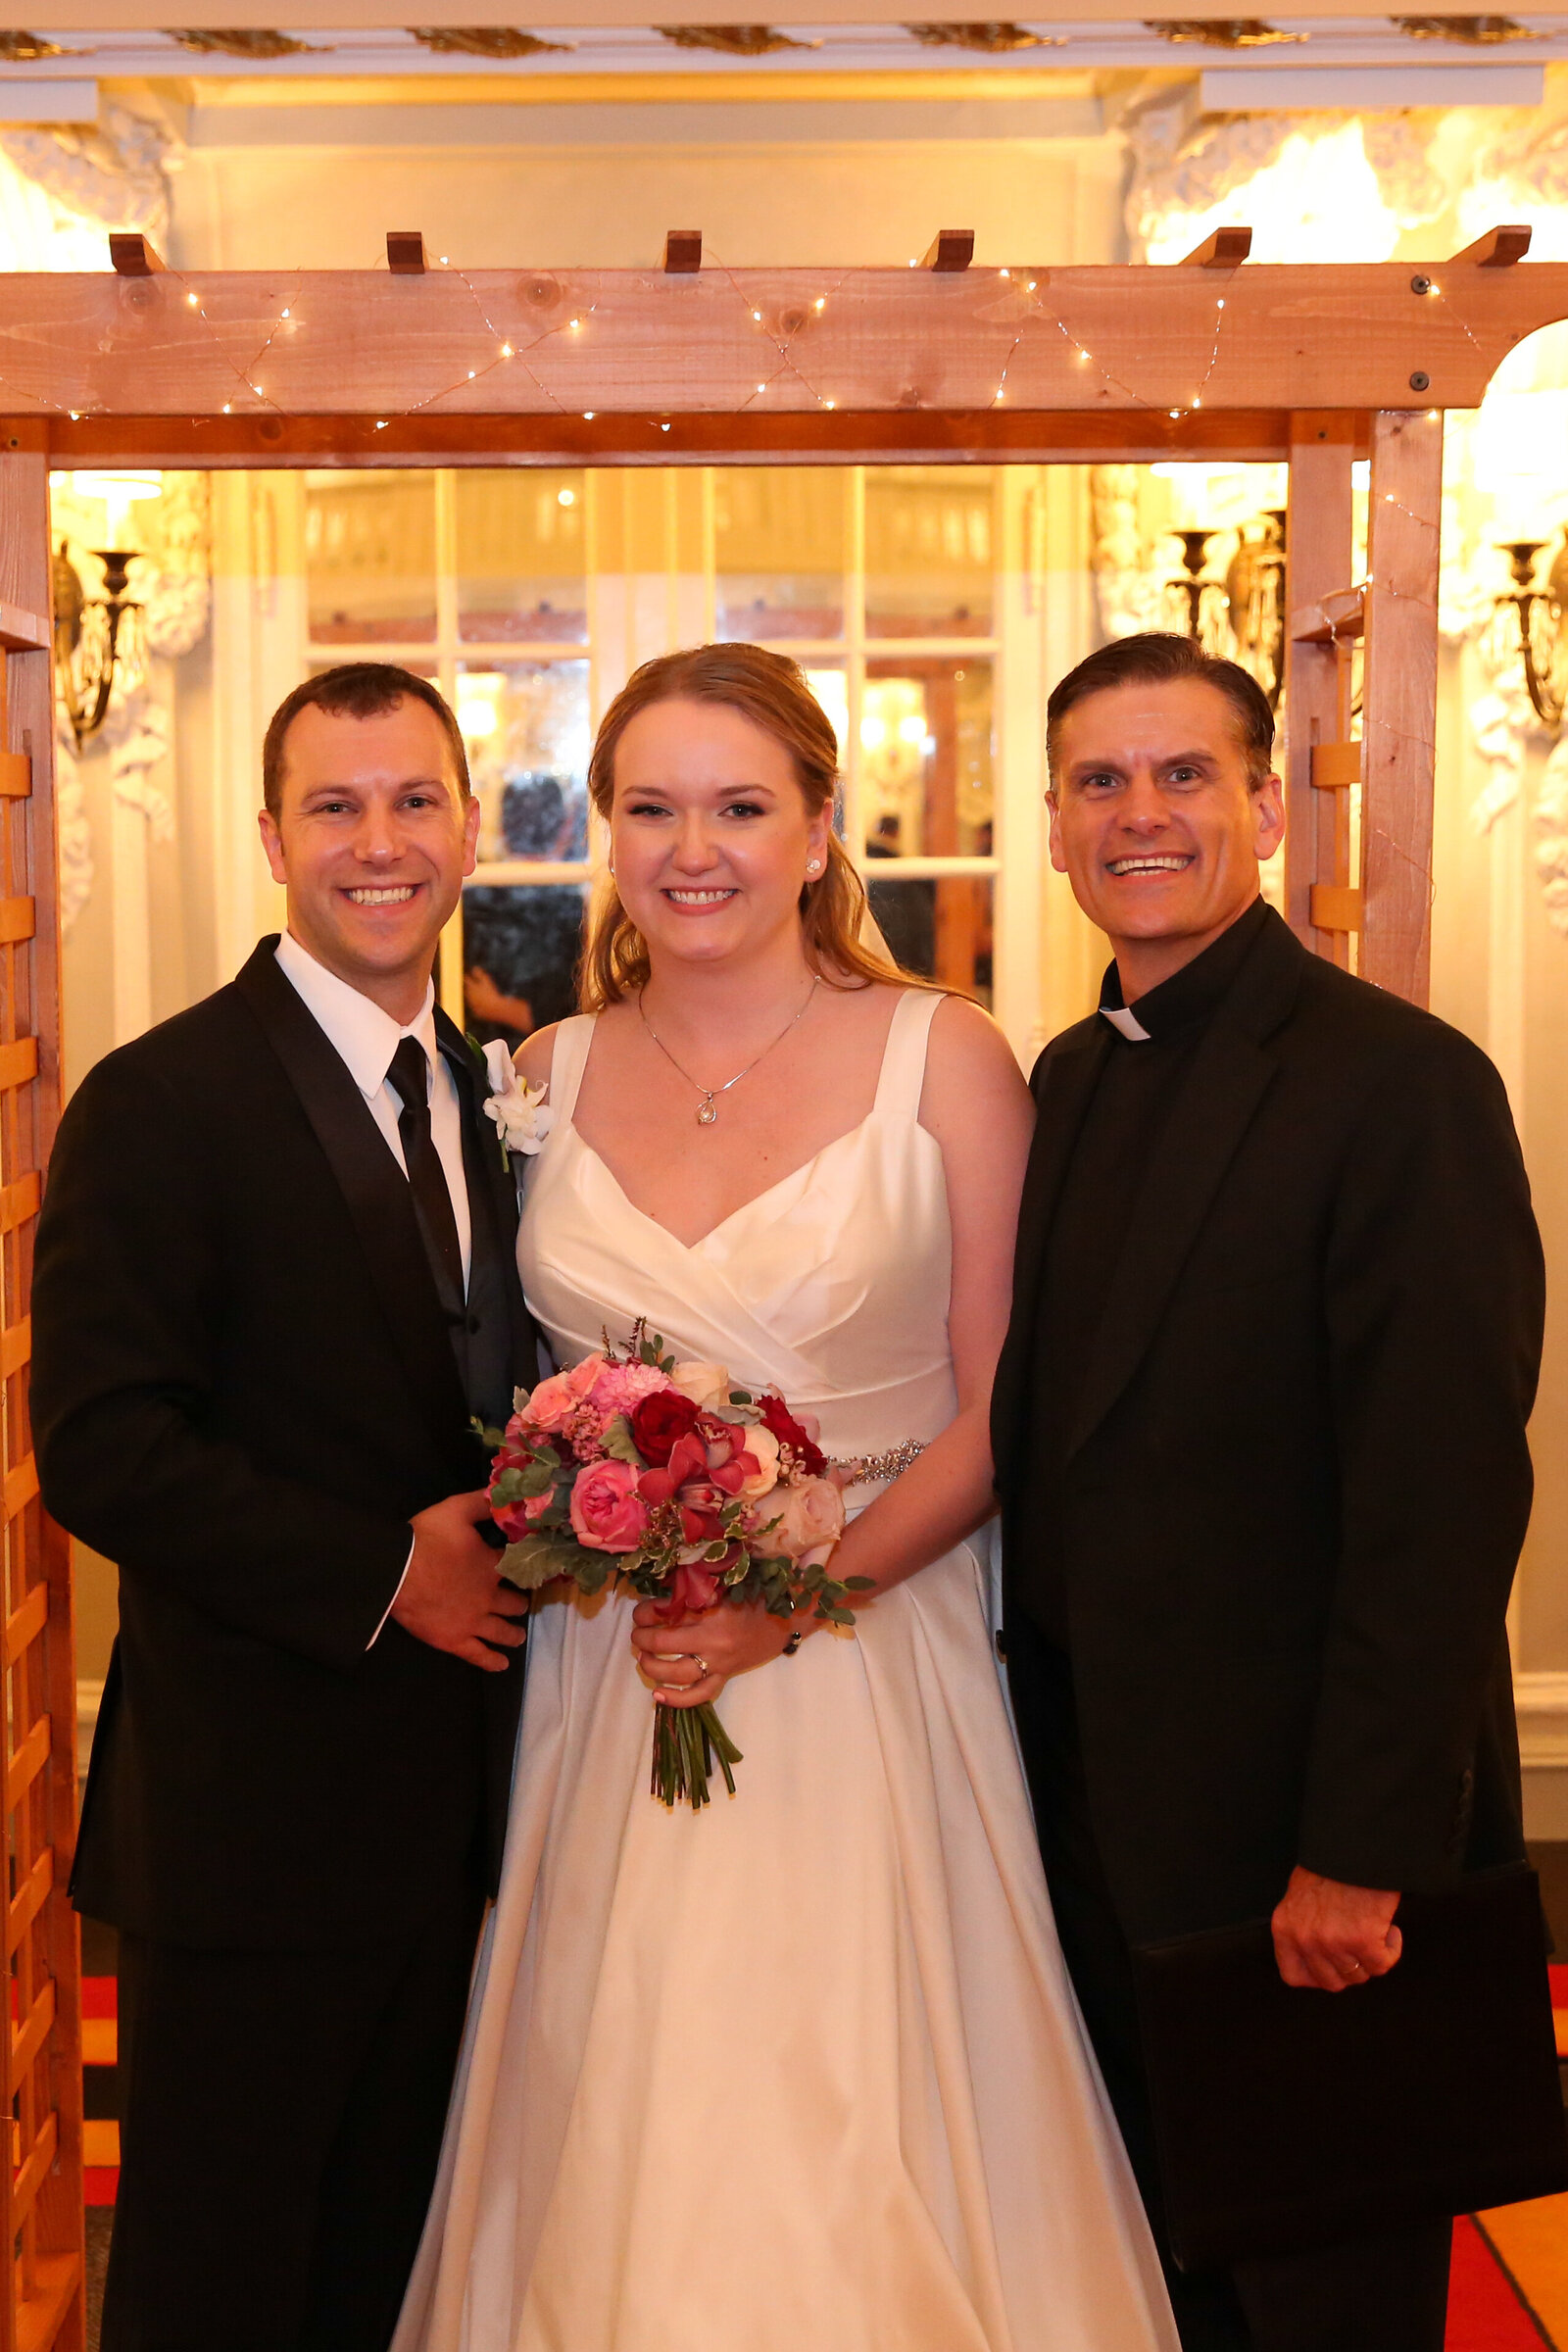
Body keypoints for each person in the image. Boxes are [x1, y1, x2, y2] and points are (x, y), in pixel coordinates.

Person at [393, 643, 1179, 2352]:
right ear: (604, 830)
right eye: (655, 807)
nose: (699, 848)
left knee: (846, 2106)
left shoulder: (944, 1060)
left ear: (823, 828)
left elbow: (1002, 1411)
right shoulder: (546, 1076)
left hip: (868, 1666)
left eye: (743, 806)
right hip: (618, 1676)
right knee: (619, 2097)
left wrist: (789, 1605)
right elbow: (519, 1389)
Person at [991, 631, 1544, 2352]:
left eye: (1181, 776)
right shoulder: (1069, 1079)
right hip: (1095, 1817)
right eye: (1100, 782)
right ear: (1058, 824)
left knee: (1326, 2300)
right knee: (1158, 2280)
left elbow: (1439, 1502)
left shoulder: (1401, 1083)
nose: (1138, 814)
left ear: (1261, 810)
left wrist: (1360, 1855)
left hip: (1302, 1854)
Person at [31, 664, 538, 2352]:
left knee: (394, 2277)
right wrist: (388, 1571)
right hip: (251, 1828)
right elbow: (102, 1442)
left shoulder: (503, 1095)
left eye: (414, 802)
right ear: (271, 837)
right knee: (216, 2283)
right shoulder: (159, 1101)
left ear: (468, 826)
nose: (379, 843)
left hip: (471, 1818)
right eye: (336, 806)